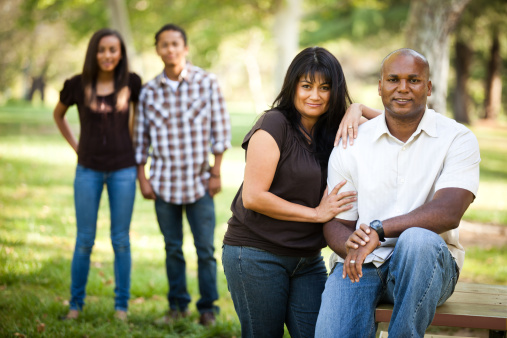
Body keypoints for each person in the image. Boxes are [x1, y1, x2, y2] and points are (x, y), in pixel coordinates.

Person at [315, 48, 481, 337]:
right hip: (361, 264)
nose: (403, 88)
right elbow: (336, 220)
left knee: (416, 240)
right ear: (380, 87)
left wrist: (378, 231)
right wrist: (350, 246)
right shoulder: (351, 143)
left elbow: (449, 212)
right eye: (393, 79)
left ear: (428, 87)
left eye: (414, 80)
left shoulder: (457, 138)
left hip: (428, 266)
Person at [222, 47, 361, 338]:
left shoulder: (333, 130)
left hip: (307, 259)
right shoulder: (274, 124)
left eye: (325, 88)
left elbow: (391, 123)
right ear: (293, 86)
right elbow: (254, 197)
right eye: (306, 86)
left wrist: (357, 108)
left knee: (320, 333)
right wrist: (316, 214)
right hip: (256, 254)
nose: (315, 95)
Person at [133, 23, 231, 327]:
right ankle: (177, 306)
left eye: (176, 44)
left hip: (199, 182)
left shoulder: (207, 82)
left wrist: (216, 172)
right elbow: (140, 139)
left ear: (185, 48)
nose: (170, 49)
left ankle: (208, 310)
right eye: (164, 44)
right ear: (158, 50)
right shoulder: (148, 92)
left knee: (205, 250)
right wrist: (143, 178)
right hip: (163, 183)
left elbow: (221, 129)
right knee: (172, 249)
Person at [53, 28, 141, 321]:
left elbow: (138, 121)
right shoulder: (76, 84)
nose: (107, 55)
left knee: (121, 240)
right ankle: (75, 305)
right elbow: (59, 114)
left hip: (123, 170)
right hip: (88, 169)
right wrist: (76, 146)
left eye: (113, 50)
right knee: (84, 240)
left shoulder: (132, 83)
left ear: (121, 53)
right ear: (93, 52)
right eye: (102, 50)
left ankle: (121, 308)